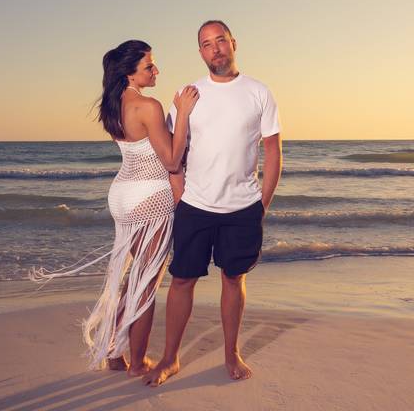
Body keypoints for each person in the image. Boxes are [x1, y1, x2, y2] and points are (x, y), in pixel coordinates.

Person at [32, 39, 199, 375]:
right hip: (151, 197)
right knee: (146, 281)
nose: (156, 70)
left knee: (134, 277)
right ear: (129, 73)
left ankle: (113, 352)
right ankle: (137, 362)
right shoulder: (148, 106)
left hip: (123, 195)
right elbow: (170, 159)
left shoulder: (112, 107)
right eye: (149, 66)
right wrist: (182, 114)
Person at [145, 20, 282, 386]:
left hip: (242, 208)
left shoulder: (259, 92)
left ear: (233, 43)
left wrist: (261, 205)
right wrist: (180, 199)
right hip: (195, 206)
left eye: (220, 40)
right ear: (201, 52)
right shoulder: (188, 95)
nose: (215, 48)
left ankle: (231, 353)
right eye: (207, 44)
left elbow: (273, 151)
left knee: (233, 278)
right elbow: (175, 153)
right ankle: (170, 358)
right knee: (182, 280)